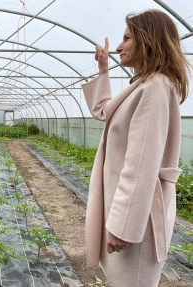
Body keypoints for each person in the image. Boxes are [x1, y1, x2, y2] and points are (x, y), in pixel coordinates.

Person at [81, 10, 190, 287]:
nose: (118, 46)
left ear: (148, 40)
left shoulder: (154, 87)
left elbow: (142, 163)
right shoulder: (145, 84)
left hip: (137, 219)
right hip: (132, 212)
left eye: (127, 38)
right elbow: (106, 110)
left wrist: (123, 225)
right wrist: (104, 69)